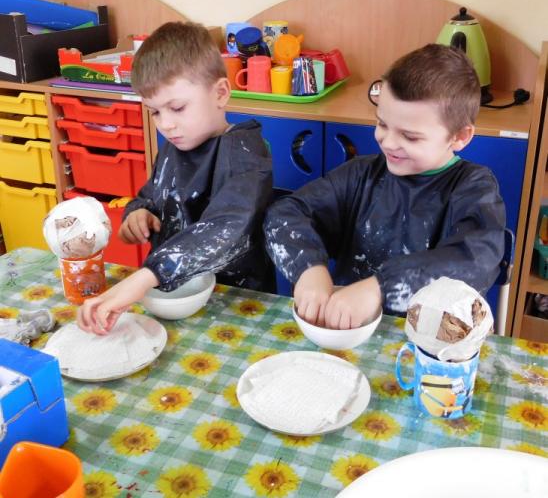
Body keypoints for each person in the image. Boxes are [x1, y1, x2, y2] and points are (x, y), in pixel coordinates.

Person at [264, 43, 505, 330]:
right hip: (349, 333)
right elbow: (285, 214)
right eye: (382, 124)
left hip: (432, 342)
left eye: (410, 137)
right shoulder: (360, 175)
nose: (388, 142)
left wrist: (380, 288)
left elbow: (476, 258)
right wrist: (308, 269)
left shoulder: (474, 187)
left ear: (460, 137)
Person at [78, 21, 273, 334]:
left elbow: (226, 225)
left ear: (220, 93)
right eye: (155, 112)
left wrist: (144, 278)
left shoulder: (245, 151)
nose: (166, 124)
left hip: (235, 303)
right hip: (172, 294)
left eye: (177, 107)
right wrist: (139, 213)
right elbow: (151, 195)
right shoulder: (174, 146)